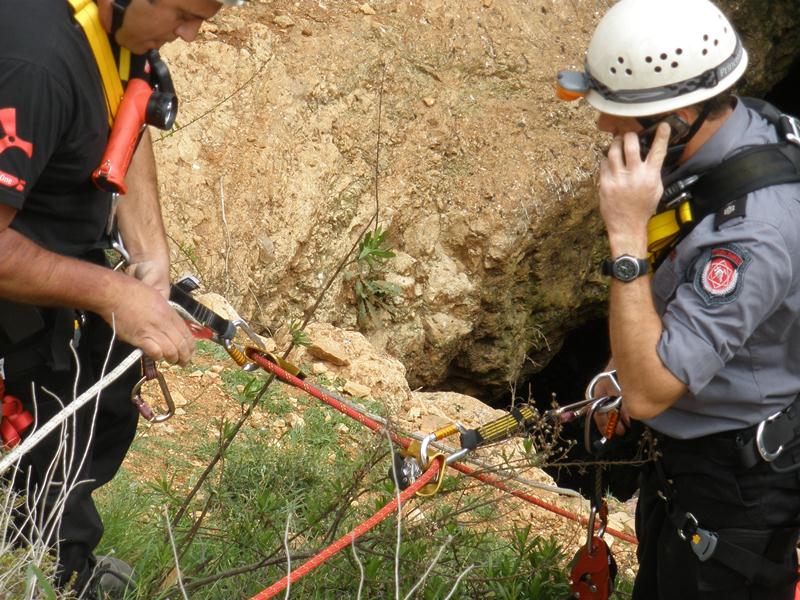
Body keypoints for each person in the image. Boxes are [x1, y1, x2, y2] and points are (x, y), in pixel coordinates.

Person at [556, 0, 800, 598]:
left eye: (619, 114)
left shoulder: (754, 236)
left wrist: (626, 237)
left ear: (682, 113)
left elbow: (648, 391)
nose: (604, 128)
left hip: (738, 490)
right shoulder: (754, 126)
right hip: (694, 459)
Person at [0, 0, 243, 595]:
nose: (189, 35)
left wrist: (151, 261)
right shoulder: (35, 66)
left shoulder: (112, 28)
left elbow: (125, 118)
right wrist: (115, 294)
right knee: (33, 472)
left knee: (97, 422)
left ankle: (54, 566)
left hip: (50, 287)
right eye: (185, 15)